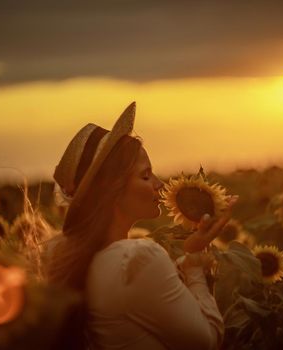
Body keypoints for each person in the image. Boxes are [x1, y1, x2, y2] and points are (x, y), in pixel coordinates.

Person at [46, 102, 236, 350]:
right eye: (145, 176)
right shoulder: (136, 260)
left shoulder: (77, 259)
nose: (159, 184)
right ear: (112, 190)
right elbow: (207, 340)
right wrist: (196, 262)